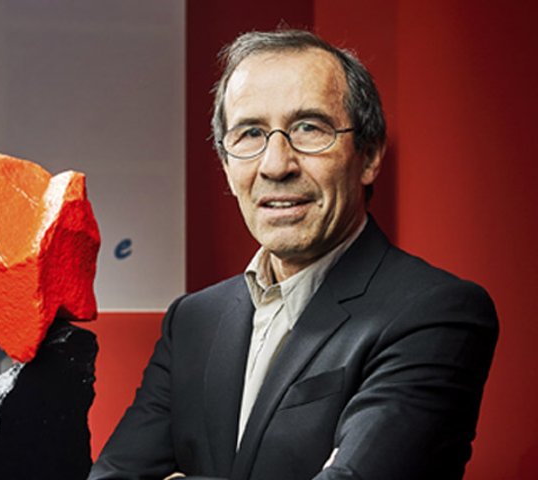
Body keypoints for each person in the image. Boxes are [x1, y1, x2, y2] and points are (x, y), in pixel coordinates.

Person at [88, 29, 498, 480]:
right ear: (226, 166)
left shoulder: (436, 312)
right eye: (250, 133)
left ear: (369, 156)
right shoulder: (192, 321)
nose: (276, 165)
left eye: (309, 128)